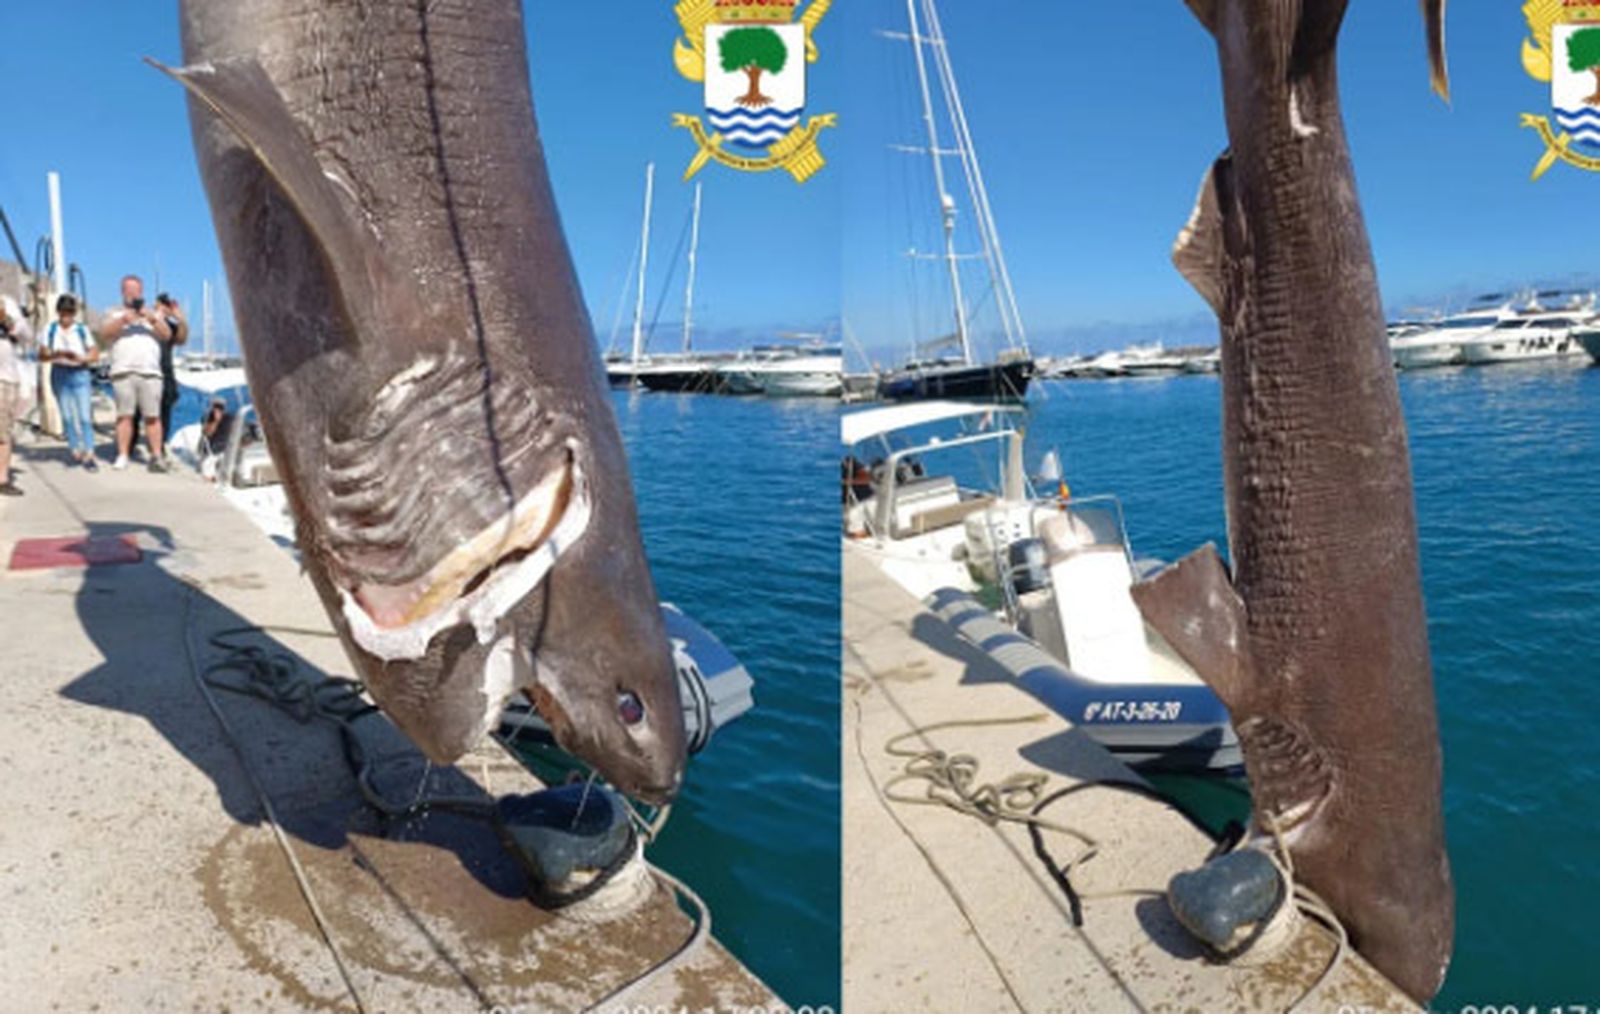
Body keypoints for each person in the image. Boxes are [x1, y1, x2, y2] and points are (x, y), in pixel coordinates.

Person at [100, 274, 172, 472]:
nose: (132, 293)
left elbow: (166, 334)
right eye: (128, 289)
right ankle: (122, 455)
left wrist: (150, 318)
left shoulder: (152, 314)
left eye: (135, 290)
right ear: (122, 291)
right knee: (124, 416)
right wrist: (124, 320)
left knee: (153, 417)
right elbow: (105, 333)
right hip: (123, 371)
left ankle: (156, 455)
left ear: (141, 292)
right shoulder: (113, 312)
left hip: (150, 372)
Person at [40, 294, 99, 470]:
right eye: (63, 313)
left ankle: (89, 452)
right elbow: (42, 354)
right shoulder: (50, 329)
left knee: (84, 416)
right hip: (59, 372)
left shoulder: (81, 330)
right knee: (66, 415)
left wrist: (80, 358)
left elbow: (94, 354)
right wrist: (55, 354)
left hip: (79, 373)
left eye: (70, 313)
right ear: (58, 312)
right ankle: (74, 446)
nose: (67, 317)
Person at [132, 292, 188, 459]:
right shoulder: (145, 322)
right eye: (161, 304)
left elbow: (182, 339)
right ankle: (130, 442)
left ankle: (159, 445)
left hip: (165, 372)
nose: (163, 308)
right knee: (136, 410)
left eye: (167, 305)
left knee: (165, 411)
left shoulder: (171, 325)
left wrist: (181, 319)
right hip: (143, 370)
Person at [0, 297, 36, 495]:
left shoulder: (8, 303)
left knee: (3, 431)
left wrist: (8, 321)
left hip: (5, 378)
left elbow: (28, 336)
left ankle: (2, 478)